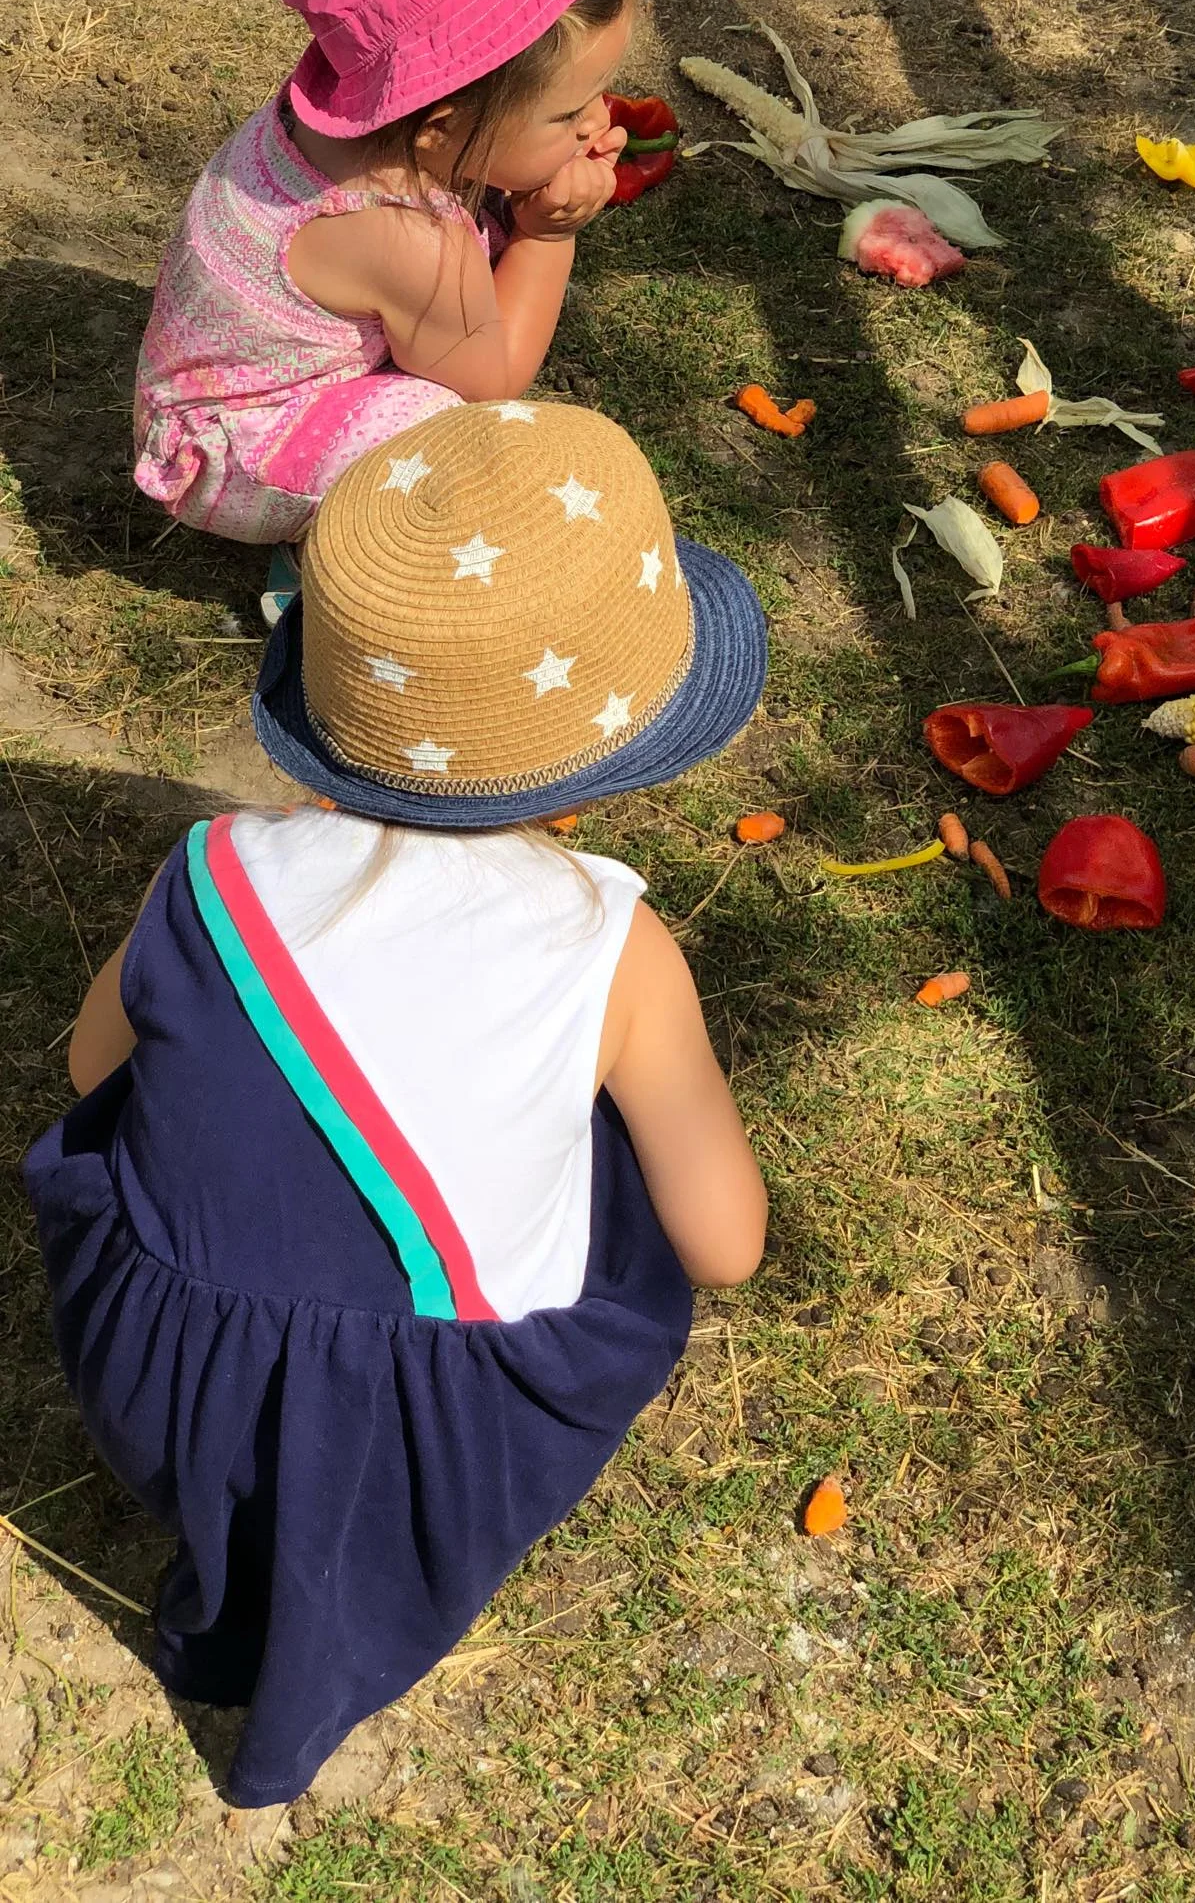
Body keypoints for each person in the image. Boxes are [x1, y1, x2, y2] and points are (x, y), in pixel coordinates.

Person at [26, 399, 769, 1809]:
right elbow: (724, 1240)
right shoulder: (613, 945)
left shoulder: (210, 869)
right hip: (426, 1436)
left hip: (151, 1368)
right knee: (623, 1168)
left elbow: (85, 1070)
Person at [133, 0, 643, 615]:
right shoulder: (408, 236)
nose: (595, 123)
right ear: (441, 126)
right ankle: (331, 559)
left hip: (204, 387)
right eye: (566, 114)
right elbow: (494, 381)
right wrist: (548, 236)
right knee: (449, 430)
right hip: (235, 457)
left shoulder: (334, 122)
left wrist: (527, 165)